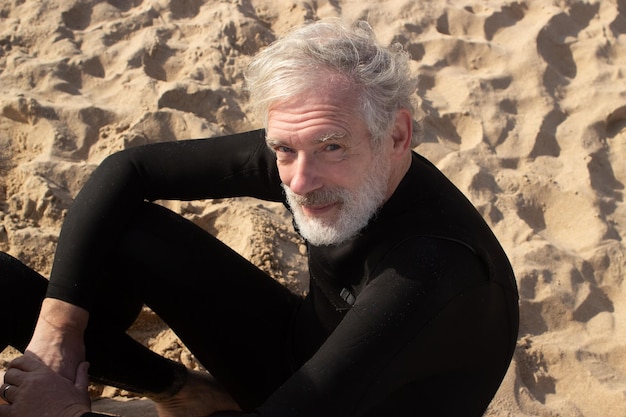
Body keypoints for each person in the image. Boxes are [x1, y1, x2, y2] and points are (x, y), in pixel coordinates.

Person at [0, 19, 519, 417]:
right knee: (126, 233)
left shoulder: (432, 272)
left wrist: (63, 411)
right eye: (283, 150)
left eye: (331, 146)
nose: (299, 182)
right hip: (300, 355)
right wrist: (57, 331)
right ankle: (183, 392)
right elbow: (129, 168)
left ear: (398, 136)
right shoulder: (312, 153)